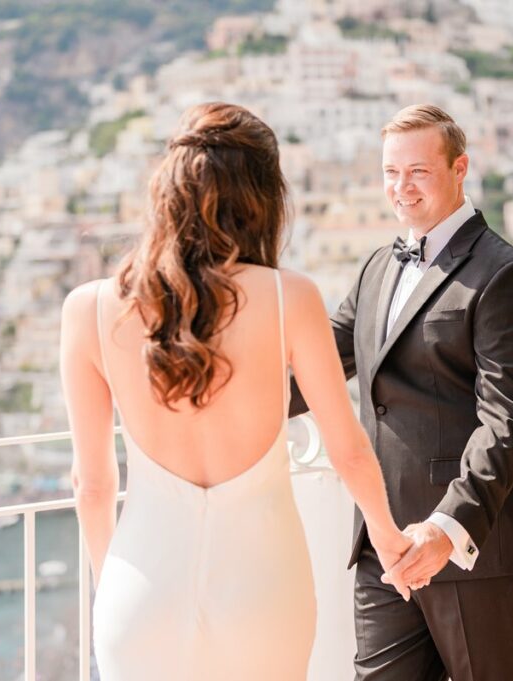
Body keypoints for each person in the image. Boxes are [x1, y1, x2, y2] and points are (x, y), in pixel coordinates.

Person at [59, 101, 412, 681]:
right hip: (261, 591)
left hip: (138, 587)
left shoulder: (89, 309)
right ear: (263, 200)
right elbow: (347, 449)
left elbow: (92, 486)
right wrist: (389, 538)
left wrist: (113, 586)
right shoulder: (287, 297)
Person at [289, 104, 513, 681]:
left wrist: (448, 530)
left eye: (418, 171)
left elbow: (508, 421)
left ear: (459, 168)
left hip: (479, 548)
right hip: (385, 546)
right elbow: (321, 365)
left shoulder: (504, 275)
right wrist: (223, 402)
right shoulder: (376, 267)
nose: (402, 188)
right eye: (391, 172)